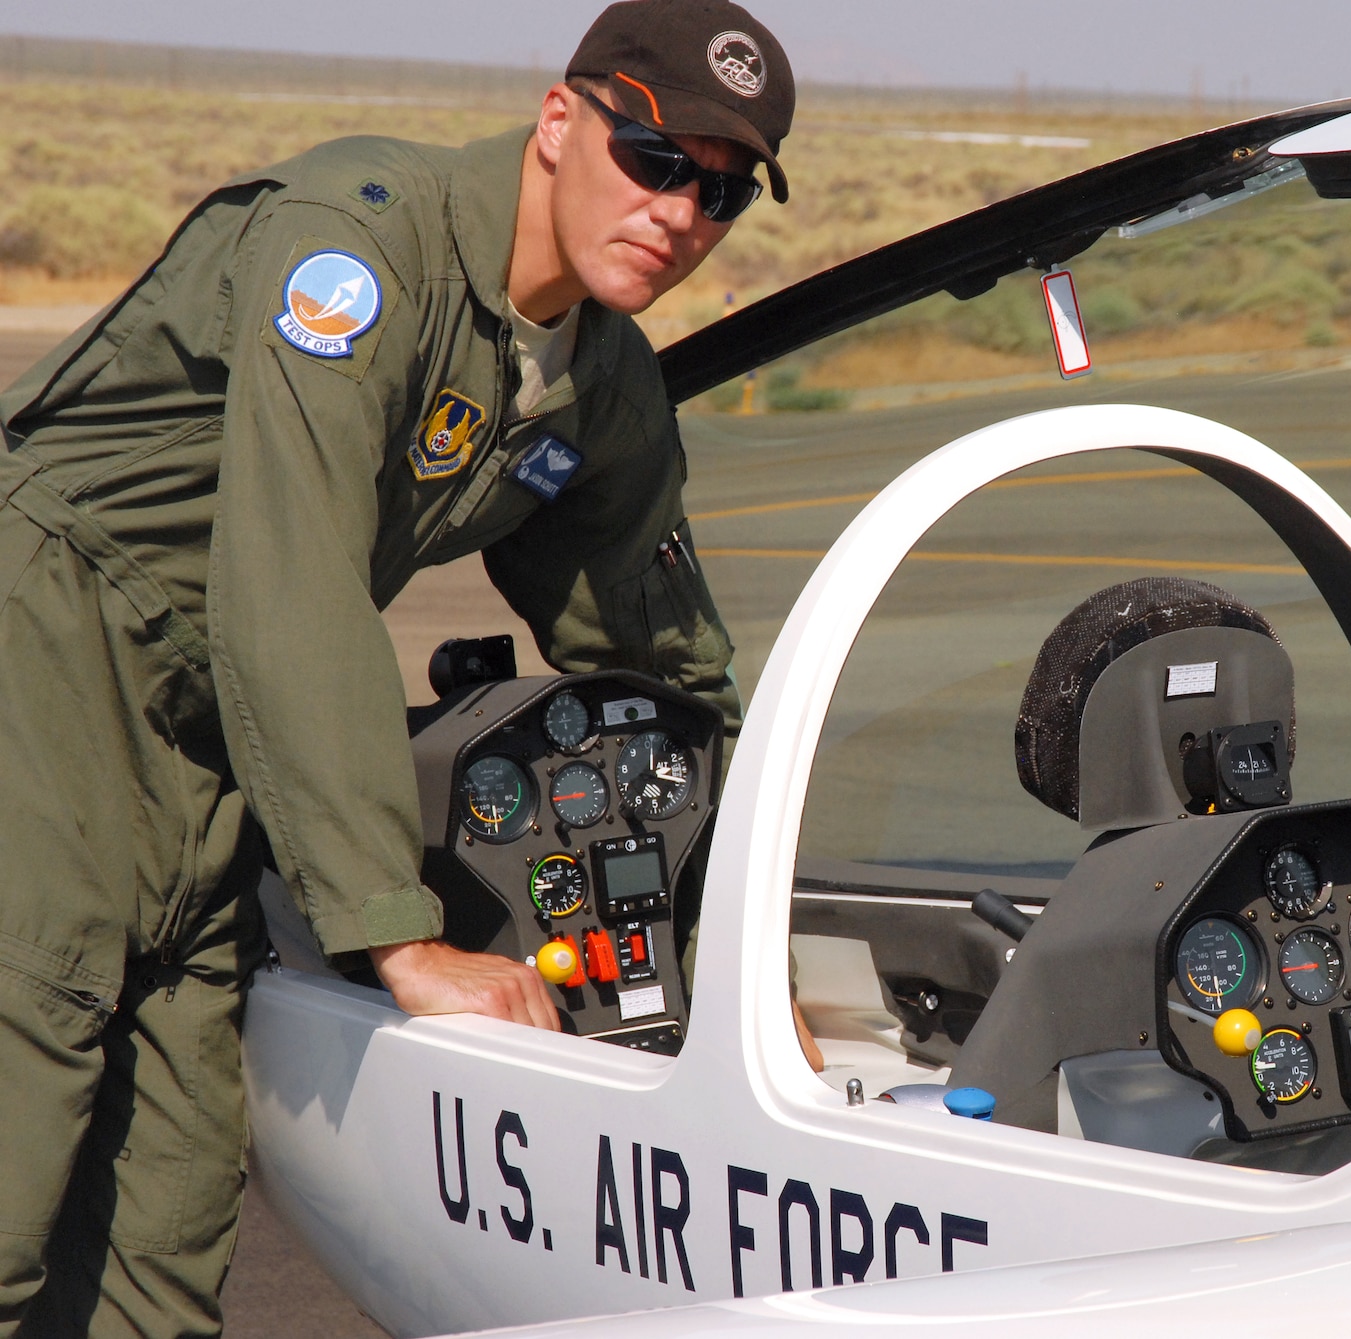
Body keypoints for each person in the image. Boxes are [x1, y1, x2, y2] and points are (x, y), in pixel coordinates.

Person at [0, 1, 793, 1332]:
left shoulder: (603, 384)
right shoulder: (358, 245)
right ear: (560, 124)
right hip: (49, 661)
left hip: (215, 753)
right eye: (656, 160)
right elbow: (290, 579)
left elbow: (671, 672)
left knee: (163, 1254)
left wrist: (747, 962)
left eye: (722, 192)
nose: (682, 211)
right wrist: (396, 932)